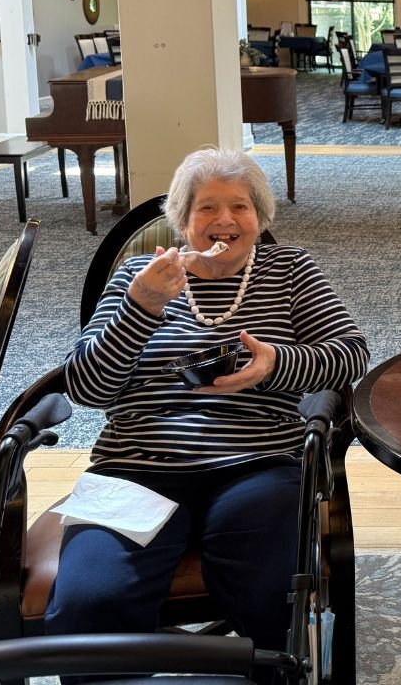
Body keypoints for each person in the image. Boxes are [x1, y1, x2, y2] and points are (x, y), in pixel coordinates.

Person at [44, 147, 369, 655]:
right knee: (89, 605)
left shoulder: (290, 270)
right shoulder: (137, 277)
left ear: (259, 216)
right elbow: (87, 388)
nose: (225, 220)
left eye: (240, 206)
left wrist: (274, 365)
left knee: (270, 594)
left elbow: (350, 355)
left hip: (257, 461)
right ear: (182, 220)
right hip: (138, 466)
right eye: (208, 208)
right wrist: (141, 308)